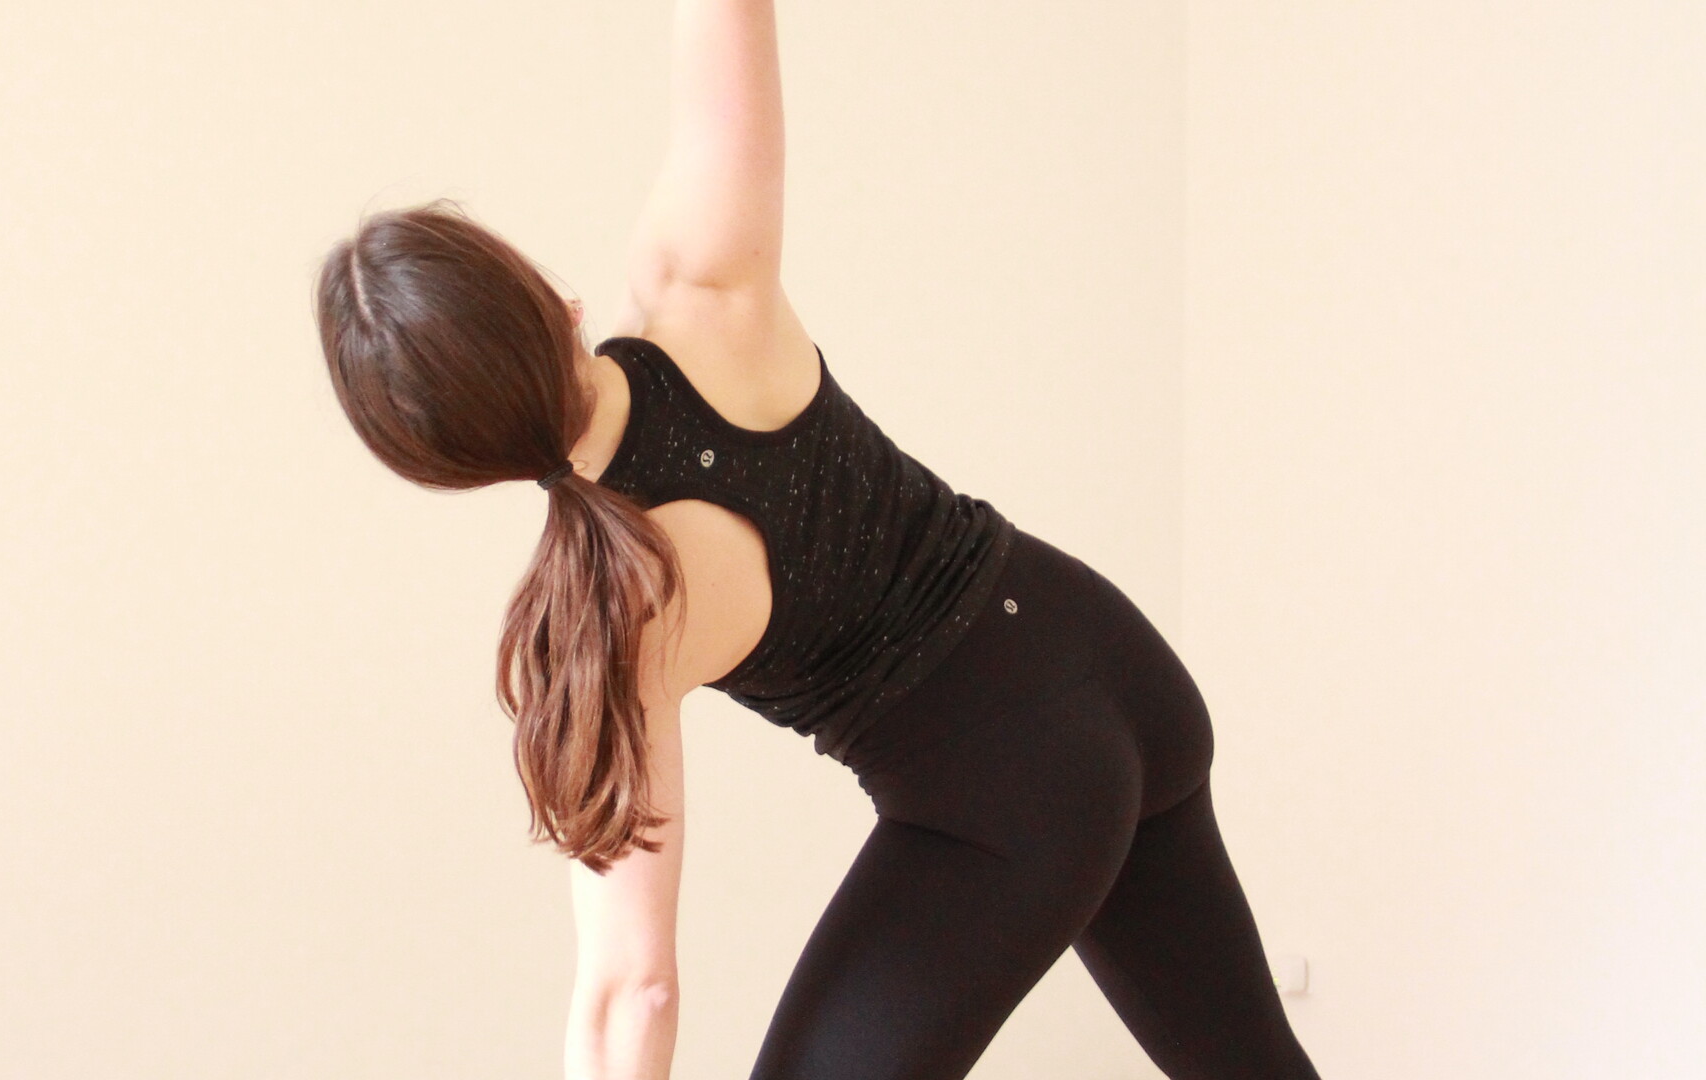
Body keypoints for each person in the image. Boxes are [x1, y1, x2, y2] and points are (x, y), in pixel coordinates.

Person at [312, 4, 1320, 1078]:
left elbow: (630, 992)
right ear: (541, 296)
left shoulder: (609, 622)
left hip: (1014, 797)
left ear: (452, 466)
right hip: (1115, 658)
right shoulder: (701, 285)